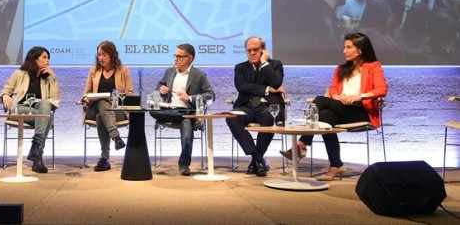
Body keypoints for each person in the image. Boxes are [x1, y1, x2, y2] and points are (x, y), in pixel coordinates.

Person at [280, 32, 388, 181]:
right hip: (341, 107)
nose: (344, 51)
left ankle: (302, 144)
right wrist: (337, 97)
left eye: (348, 47)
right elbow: (333, 89)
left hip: (361, 110)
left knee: (320, 100)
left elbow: (382, 90)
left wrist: (359, 96)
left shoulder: (373, 67)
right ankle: (335, 165)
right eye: (344, 47)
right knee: (325, 118)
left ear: (360, 50)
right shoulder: (341, 69)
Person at [149, 43, 215, 176]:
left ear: (189, 58)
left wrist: (189, 98)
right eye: (175, 56)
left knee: (186, 129)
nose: (175, 59)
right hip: (170, 110)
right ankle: (186, 115)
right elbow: (159, 86)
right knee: (152, 110)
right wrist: (161, 89)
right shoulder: (170, 71)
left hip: (187, 109)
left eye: (179, 56)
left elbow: (211, 95)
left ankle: (184, 164)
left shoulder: (199, 75)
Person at [226, 36, 285, 177]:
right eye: (249, 50)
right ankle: (258, 159)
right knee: (232, 117)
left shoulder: (275, 64)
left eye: (255, 50)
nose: (252, 53)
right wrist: (267, 89)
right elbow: (242, 86)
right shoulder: (240, 67)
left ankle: (255, 162)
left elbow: (276, 82)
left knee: (269, 116)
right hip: (247, 106)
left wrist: (264, 64)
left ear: (263, 50)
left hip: (268, 106)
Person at [0, 46, 61, 173]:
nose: (47, 60)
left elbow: (54, 100)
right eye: (44, 57)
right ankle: (37, 154)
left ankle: (36, 151)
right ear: (34, 59)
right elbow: (5, 91)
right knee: (47, 116)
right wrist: (5, 96)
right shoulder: (19, 74)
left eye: (48, 58)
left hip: (37, 113)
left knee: (45, 105)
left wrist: (53, 77)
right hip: (19, 109)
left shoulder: (47, 79)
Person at [82, 40, 134, 172]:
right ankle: (116, 136)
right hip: (93, 108)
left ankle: (104, 158)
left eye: (104, 54)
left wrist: (116, 100)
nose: (101, 58)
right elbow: (86, 93)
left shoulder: (123, 71)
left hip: (116, 110)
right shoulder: (94, 71)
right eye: (99, 54)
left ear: (112, 55)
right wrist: (88, 98)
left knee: (102, 115)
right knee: (102, 102)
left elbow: (130, 93)